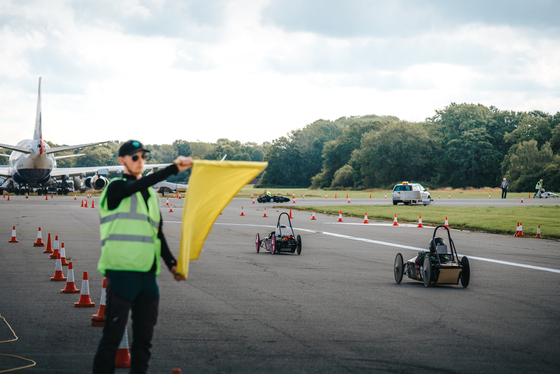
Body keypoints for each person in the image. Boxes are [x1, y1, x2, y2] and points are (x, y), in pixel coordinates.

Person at [93, 140, 192, 374]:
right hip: (121, 272)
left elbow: (157, 233)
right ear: (122, 161)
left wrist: (171, 264)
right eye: (135, 157)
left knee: (144, 342)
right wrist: (171, 169)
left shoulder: (149, 194)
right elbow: (130, 188)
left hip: (148, 276)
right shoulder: (114, 188)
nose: (140, 161)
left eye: (143, 157)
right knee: (112, 339)